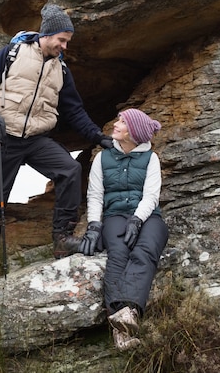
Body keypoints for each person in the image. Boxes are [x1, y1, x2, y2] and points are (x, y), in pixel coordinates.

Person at [0, 3, 113, 286]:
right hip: (4, 137)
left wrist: (98, 136)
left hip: (36, 139)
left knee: (70, 169)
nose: (64, 46)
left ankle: (62, 238)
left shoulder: (61, 69)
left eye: (67, 42)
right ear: (46, 35)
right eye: (61, 40)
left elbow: (74, 110)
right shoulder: (13, 53)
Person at [78, 108, 169, 351]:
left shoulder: (151, 158)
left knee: (146, 250)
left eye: (122, 122)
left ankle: (125, 315)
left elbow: (151, 197)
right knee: (119, 252)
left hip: (148, 216)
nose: (116, 124)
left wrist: (137, 220)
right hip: (114, 215)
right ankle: (123, 325)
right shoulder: (102, 158)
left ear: (133, 132)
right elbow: (95, 196)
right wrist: (95, 226)